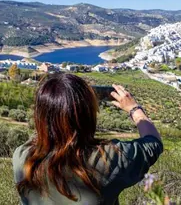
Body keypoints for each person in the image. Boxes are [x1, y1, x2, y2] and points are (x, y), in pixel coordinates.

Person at [13, 73, 163, 205]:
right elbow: (153, 143)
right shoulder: (109, 159)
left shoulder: (22, 157)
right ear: (87, 115)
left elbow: (48, 133)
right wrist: (134, 109)